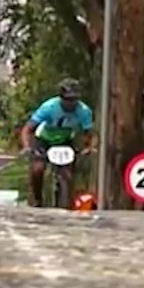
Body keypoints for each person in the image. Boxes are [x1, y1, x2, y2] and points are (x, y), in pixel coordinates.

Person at [22, 78, 95, 208]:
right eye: (67, 100)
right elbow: (28, 129)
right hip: (44, 139)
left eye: (74, 100)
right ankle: (37, 199)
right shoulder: (49, 107)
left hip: (65, 141)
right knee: (38, 168)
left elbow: (89, 133)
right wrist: (27, 146)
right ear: (61, 98)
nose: (70, 104)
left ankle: (67, 199)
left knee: (68, 173)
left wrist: (89, 147)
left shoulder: (84, 111)